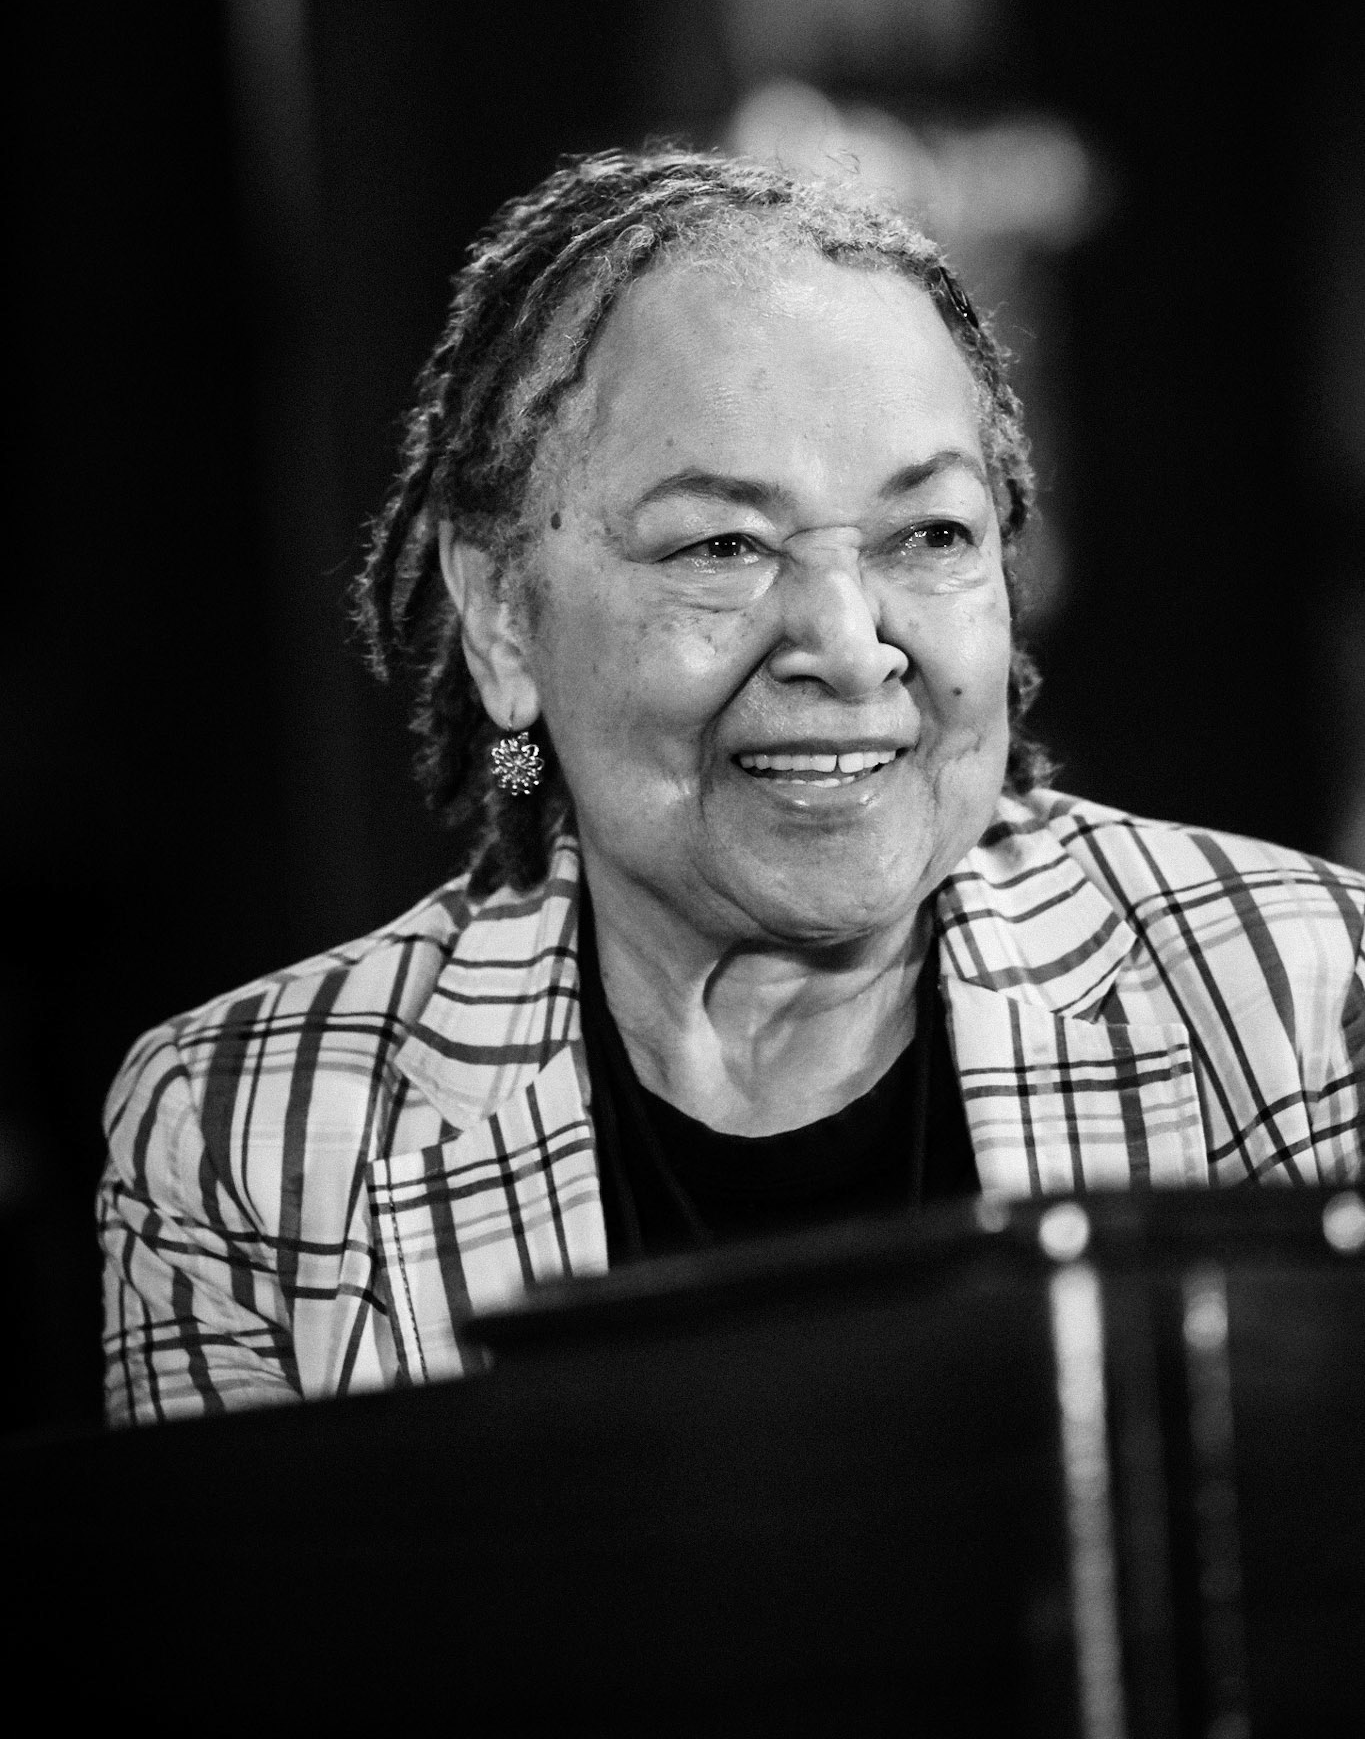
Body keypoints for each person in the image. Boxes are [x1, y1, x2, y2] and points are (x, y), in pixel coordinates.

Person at [100, 149, 1365, 1426]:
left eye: (930, 533)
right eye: (723, 545)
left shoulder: (1315, 1006)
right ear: (500, 617)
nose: (847, 640)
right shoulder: (247, 1144)